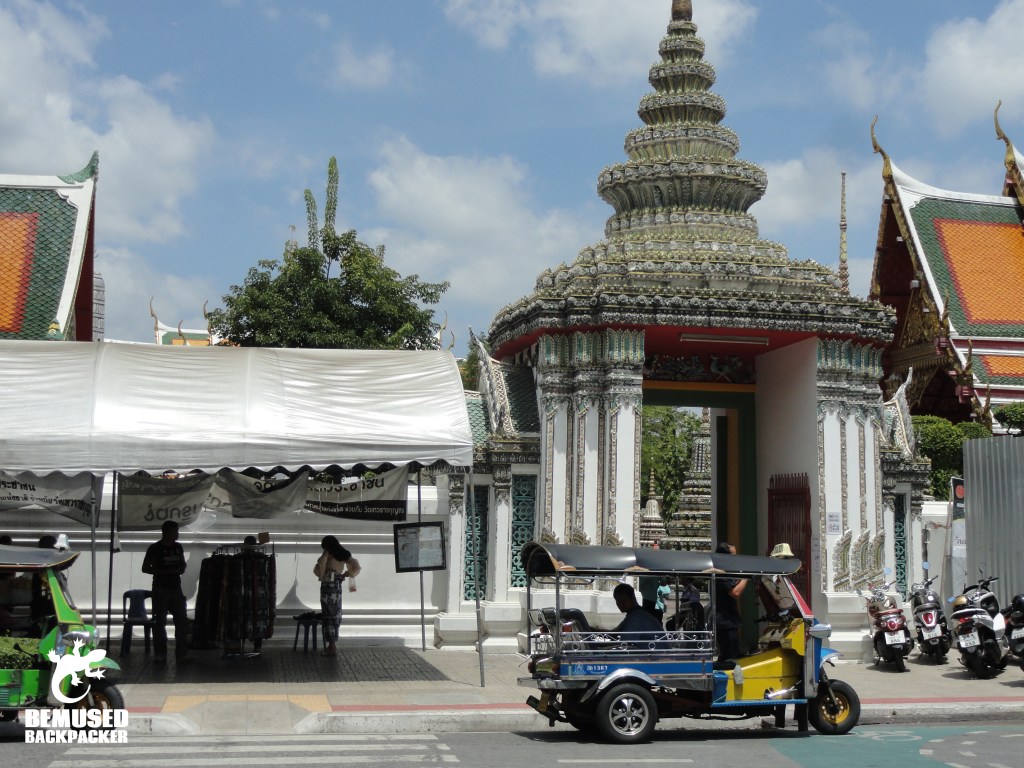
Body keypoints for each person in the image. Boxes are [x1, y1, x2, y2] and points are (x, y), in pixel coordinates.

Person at [142, 520, 190, 662]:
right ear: (168, 532)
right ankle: (160, 653)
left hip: (176, 588)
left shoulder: (178, 547)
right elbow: (145, 568)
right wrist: (162, 571)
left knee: (181, 621)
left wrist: (180, 569)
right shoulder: (155, 548)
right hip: (160, 589)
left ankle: (181, 653)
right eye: (176, 531)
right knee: (159, 623)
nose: (178, 534)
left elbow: (182, 563)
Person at [313, 535, 359, 657]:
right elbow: (356, 566)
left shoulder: (328, 554)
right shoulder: (343, 554)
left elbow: (319, 570)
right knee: (334, 613)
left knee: (329, 614)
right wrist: (345, 574)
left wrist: (325, 555)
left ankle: (331, 645)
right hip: (336, 587)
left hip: (328, 586)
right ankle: (332, 644)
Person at [713, 542, 747, 663]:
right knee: (729, 656)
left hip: (729, 619)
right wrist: (746, 577)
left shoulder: (726, 573)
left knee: (732, 652)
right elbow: (735, 592)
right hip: (725, 620)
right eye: (733, 555)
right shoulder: (720, 574)